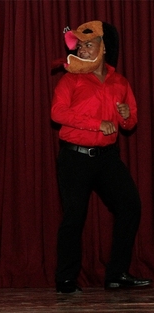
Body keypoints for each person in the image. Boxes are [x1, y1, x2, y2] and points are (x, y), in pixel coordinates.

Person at [51, 20, 152, 294]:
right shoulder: (70, 79)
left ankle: (116, 273)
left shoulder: (120, 81)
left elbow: (131, 122)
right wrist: (96, 123)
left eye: (88, 44)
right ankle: (66, 279)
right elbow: (57, 113)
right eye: (80, 45)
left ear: (103, 48)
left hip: (108, 157)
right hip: (75, 158)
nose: (82, 49)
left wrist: (126, 117)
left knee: (130, 206)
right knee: (74, 216)